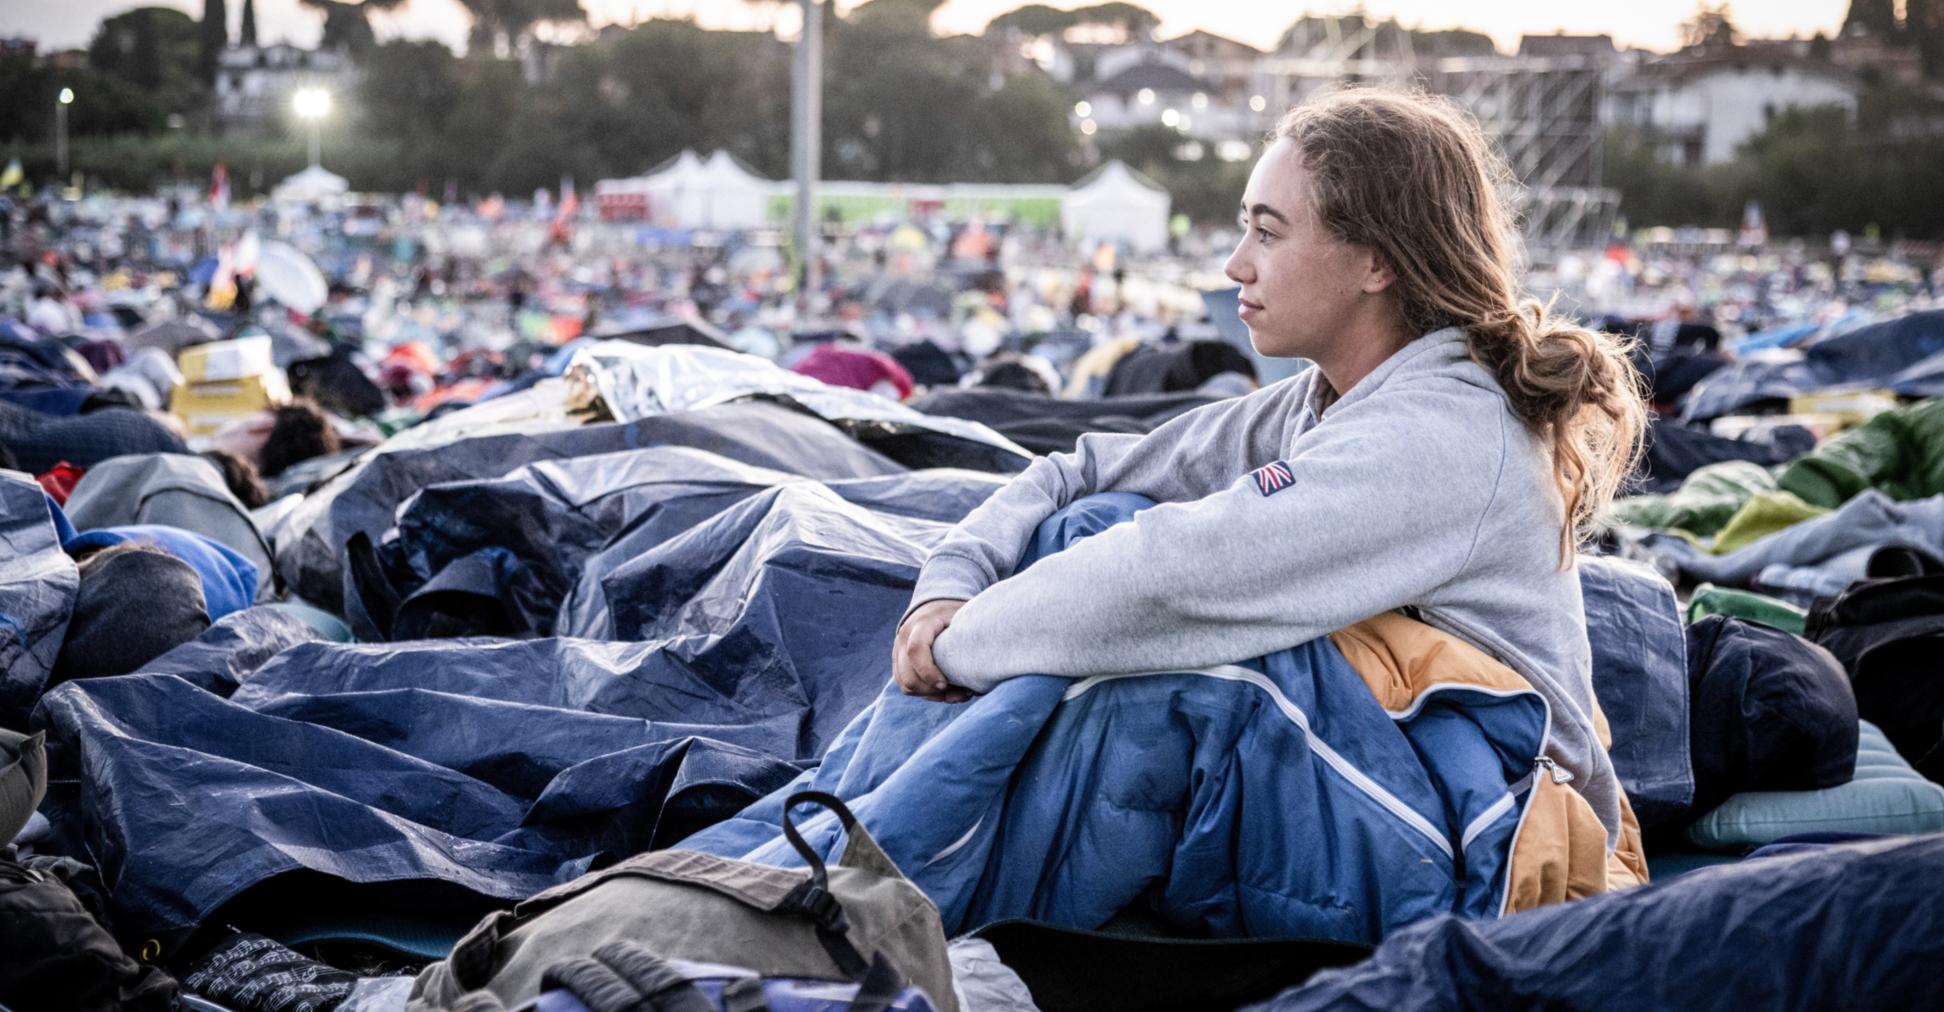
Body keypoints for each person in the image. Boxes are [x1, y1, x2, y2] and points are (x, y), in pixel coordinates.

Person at [891, 88, 1646, 841]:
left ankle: (877, 860)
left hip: (1512, 841)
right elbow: (1083, 472)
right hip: (1421, 798)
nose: (1235, 265)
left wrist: (956, 649)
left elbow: (1167, 581)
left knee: (1195, 678)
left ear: (1376, 262)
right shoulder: (1327, 399)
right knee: (1091, 526)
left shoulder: (1441, 441)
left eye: (1267, 233)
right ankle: (864, 844)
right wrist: (950, 585)